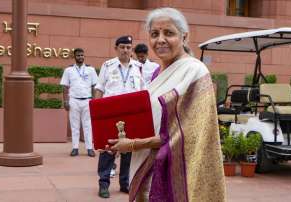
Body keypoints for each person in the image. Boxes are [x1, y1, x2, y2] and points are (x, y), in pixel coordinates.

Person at [107, 8, 226, 202]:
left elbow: (187, 134)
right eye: (154, 34)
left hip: (174, 173)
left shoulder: (195, 72)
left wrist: (134, 144)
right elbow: (149, 119)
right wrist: (119, 139)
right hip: (147, 166)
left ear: (184, 36)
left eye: (168, 33)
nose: (160, 40)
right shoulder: (157, 73)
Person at [94, 35, 145, 198]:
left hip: (132, 114)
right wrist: (97, 114)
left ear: (132, 50)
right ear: (116, 48)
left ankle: (125, 183)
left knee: (128, 149)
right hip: (111, 113)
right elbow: (100, 88)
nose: (125, 50)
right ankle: (103, 184)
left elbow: (143, 91)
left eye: (128, 47)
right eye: (122, 47)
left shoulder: (138, 67)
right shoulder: (107, 66)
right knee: (108, 149)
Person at [60, 48, 98, 157]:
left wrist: (94, 101)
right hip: (74, 101)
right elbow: (65, 87)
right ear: (74, 57)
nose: (80, 57)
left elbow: (95, 86)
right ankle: (75, 148)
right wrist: (66, 101)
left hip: (87, 100)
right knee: (74, 125)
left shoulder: (90, 70)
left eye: (82, 55)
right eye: (78, 55)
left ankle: (89, 148)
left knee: (88, 125)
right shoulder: (69, 70)